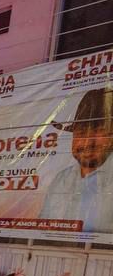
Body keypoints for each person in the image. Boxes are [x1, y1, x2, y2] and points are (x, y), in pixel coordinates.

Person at [41, 86, 113, 232]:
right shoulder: (61, 179)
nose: (87, 142)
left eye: (99, 131)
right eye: (81, 132)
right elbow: (43, 224)